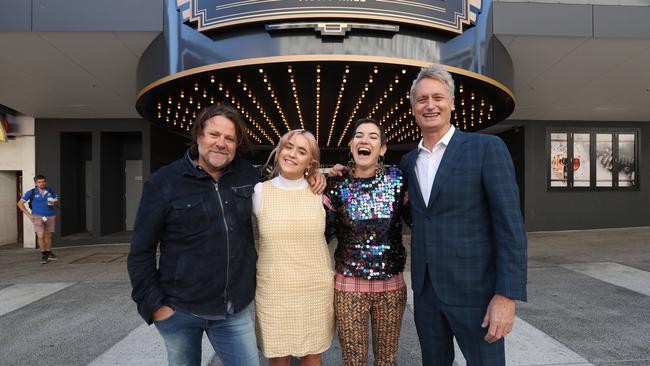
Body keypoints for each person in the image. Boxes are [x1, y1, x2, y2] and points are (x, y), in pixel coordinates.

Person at [127, 104, 325, 366]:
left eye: (229, 138)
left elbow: (289, 191)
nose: (221, 143)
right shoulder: (164, 182)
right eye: (214, 135)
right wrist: (155, 308)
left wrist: (316, 176)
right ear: (199, 136)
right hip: (181, 310)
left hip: (233, 311)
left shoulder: (245, 176)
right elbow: (140, 252)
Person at [400, 64, 527, 365]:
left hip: (476, 293)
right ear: (413, 107)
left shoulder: (486, 149)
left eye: (438, 97)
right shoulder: (408, 161)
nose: (430, 105)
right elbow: (413, 215)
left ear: (452, 103)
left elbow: (511, 228)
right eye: (422, 99)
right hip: (427, 292)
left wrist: (506, 297)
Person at [325, 118, 408, 366]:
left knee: (386, 359)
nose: (365, 140)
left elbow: (420, 219)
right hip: (348, 286)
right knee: (353, 360)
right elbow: (322, 232)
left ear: (382, 149)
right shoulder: (337, 184)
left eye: (373, 136)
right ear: (351, 145)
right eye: (359, 135)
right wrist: (313, 185)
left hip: (391, 285)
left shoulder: (398, 180)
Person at [253, 129, 334, 366]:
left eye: (301, 151)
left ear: (311, 162)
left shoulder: (320, 192)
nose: (292, 154)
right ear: (279, 150)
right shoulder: (259, 192)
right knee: (279, 358)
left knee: (312, 357)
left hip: (315, 290)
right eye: (288, 146)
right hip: (274, 291)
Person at [18, 175, 59, 264]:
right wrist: (29, 215)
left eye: (43, 181)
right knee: (40, 236)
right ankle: (44, 254)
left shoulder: (50, 191)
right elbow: (20, 203)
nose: (42, 183)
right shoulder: (31, 192)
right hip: (37, 217)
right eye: (39, 182)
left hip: (50, 216)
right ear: (36, 183)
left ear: (46, 182)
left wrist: (54, 203)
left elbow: (56, 203)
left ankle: (48, 252)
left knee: (49, 236)